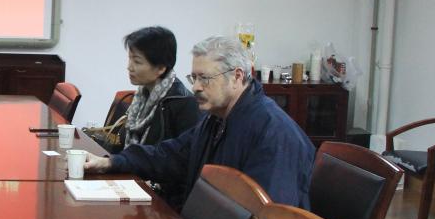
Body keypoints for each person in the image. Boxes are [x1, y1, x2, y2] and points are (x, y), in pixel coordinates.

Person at [84, 36, 315, 209]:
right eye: (193, 77)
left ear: (236, 77)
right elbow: (170, 155)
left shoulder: (274, 133)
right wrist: (111, 162)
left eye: (204, 78)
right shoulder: (216, 119)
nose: (195, 87)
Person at [87, 26, 200, 153]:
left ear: (161, 68)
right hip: (129, 163)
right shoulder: (142, 96)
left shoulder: (184, 104)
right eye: (130, 58)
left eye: (137, 61)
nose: (129, 67)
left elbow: (178, 157)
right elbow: (122, 141)